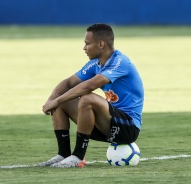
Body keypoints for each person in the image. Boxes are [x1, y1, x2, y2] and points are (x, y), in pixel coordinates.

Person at [38, 23, 144, 168]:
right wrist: (52, 99)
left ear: (101, 44)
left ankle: (78, 156)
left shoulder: (120, 62)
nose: (84, 48)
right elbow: (69, 83)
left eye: (87, 43)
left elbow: (89, 86)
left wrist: (56, 101)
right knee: (63, 98)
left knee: (87, 98)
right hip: (106, 123)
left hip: (128, 127)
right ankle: (64, 154)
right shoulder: (95, 64)